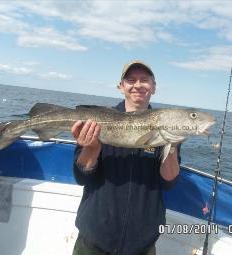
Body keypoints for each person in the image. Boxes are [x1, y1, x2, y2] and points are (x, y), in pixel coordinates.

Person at [71, 61, 181, 255]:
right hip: (94, 240)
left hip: (142, 245)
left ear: (153, 87)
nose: (138, 85)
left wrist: (171, 145)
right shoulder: (97, 120)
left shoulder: (166, 124)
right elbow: (82, 178)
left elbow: (169, 183)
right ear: (121, 87)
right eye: (131, 80)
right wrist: (92, 148)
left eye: (144, 80)